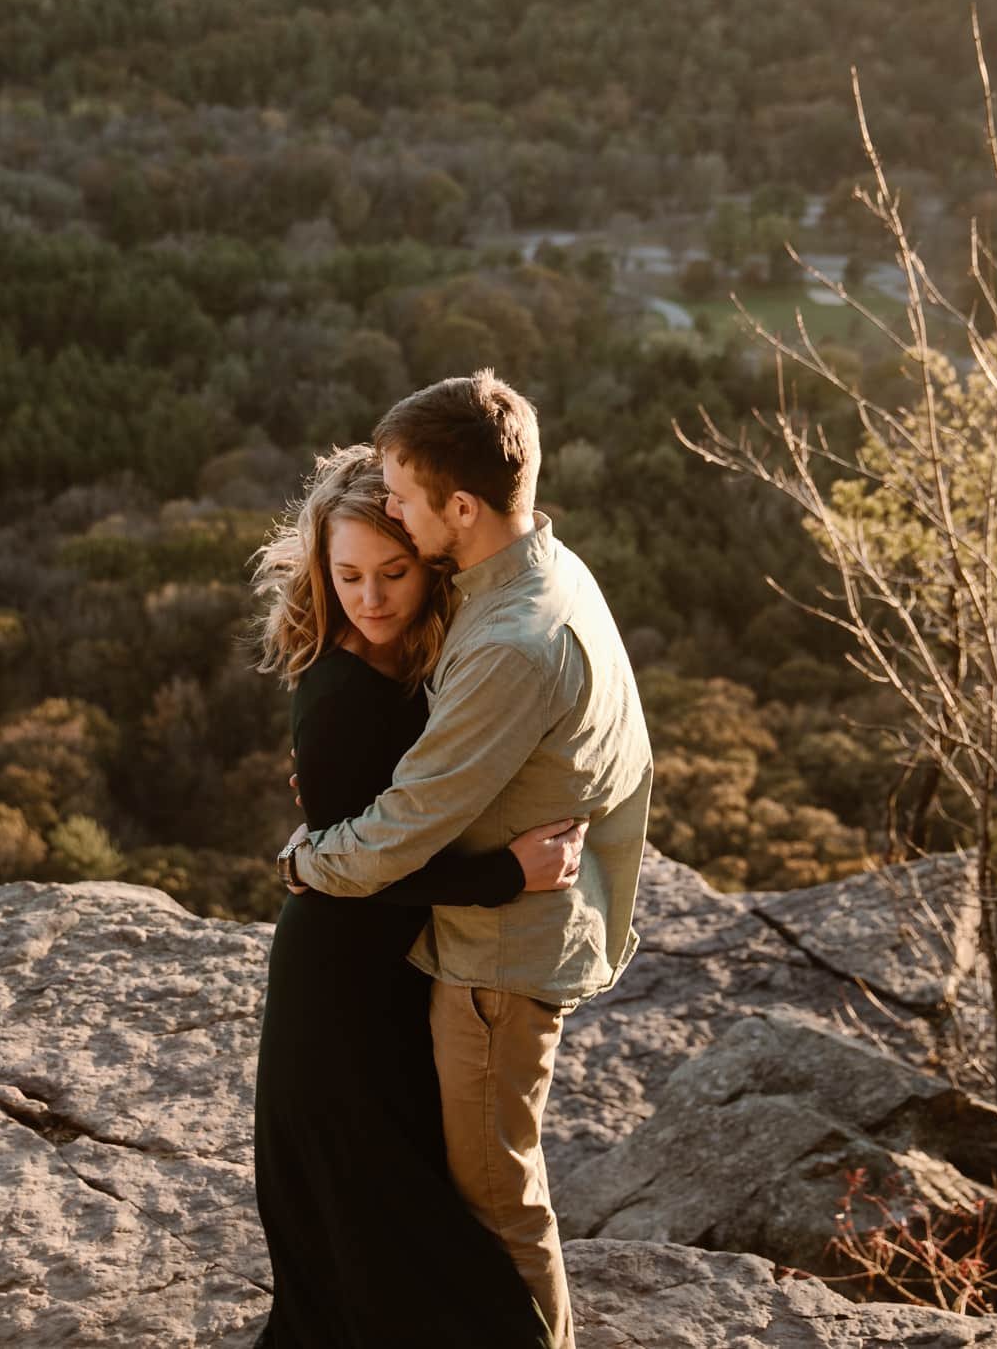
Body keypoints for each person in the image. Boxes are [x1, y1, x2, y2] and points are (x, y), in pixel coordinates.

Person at [275, 371, 654, 1349]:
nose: (388, 506)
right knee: (453, 1194)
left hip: (494, 957)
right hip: (451, 943)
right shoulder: (541, 570)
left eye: (403, 495)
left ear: (459, 507)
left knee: (494, 1207)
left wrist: (305, 862)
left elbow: (388, 837)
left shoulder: (507, 645)